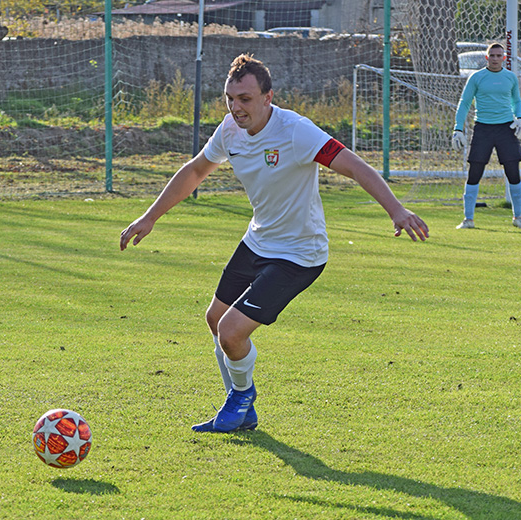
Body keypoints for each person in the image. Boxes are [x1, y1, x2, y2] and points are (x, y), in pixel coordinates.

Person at [119, 54, 429, 433]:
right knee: (215, 320)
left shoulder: (297, 131)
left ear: (268, 97)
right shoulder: (230, 130)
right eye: (230, 98)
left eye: (245, 99)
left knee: (232, 331)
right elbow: (196, 170)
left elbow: (354, 165)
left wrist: (396, 210)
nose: (236, 107)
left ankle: (240, 398)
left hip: (300, 253)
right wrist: (149, 216)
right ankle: (243, 408)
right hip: (259, 239)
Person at [452, 42, 521, 229]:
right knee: (474, 173)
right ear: (486, 58)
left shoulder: (510, 77)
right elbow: (464, 103)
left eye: (499, 55)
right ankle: (468, 219)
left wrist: (520, 118)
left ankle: (518, 217)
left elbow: (516, 100)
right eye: (492, 55)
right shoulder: (476, 77)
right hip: (483, 129)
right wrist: (457, 128)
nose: (495, 59)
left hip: (506, 129)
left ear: (504, 58)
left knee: (513, 172)